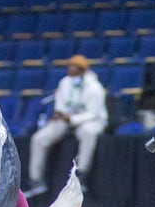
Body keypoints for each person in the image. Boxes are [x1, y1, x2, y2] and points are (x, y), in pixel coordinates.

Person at [25, 55, 107, 196]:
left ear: (82, 70)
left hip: (90, 120)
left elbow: (93, 113)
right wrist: (60, 114)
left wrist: (72, 118)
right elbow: (60, 105)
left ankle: (81, 175)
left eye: (74, 67)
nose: (70, 70)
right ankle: (36, 181)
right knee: (39, 138)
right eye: (69, 66)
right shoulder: (65, 82)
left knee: (88, 133)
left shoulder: (95, 88)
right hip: (67, 121)